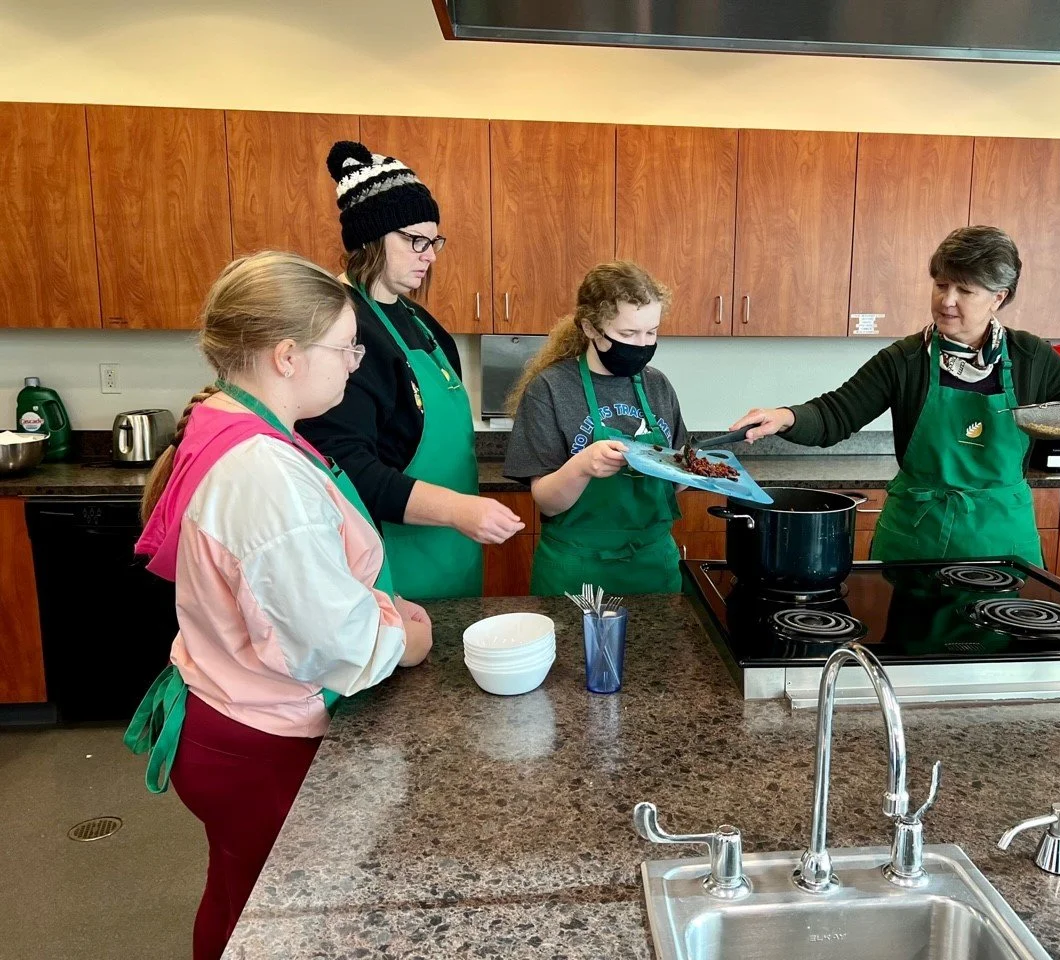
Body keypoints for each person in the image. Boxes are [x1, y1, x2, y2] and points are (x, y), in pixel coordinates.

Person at [124, 252, 432, 960]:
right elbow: (330, 643)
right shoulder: (264, 476)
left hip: (220, 714)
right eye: (346, 346)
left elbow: (287, 591)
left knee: (238, 896)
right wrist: (403, 637)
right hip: (261, 741)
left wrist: (371, 604)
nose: (355, 363)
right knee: (289, 926)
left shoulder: (230, 422)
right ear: (288, 356)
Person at [732, 226, 1060, 565]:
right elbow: (836, 414)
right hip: (915, 536)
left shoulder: (1032, 357)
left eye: (965, 290)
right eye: (941, 285)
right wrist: (785, 417)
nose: (946, 300)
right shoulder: (906, 359)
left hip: (1000, 539)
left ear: (998, 298)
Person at [299, 141, 523, 600]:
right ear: (369, 239)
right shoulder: (342, 332)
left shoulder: (420, 322)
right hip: (391, 565)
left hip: (452, 553)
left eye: (434, 241)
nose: (430, 255)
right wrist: (456, 509)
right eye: (414, 240)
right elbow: (345, 469)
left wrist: (460, 514)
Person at [504, 261, 688, 596]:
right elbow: (547, 502)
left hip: (654, 568)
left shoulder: (658, 385)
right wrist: (583, 466)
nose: (642, 344)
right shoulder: (551, 389)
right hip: (577, 572)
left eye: (651, 332)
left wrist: (697, 471)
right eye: (627, 334)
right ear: (591, 328)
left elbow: (675, 483)